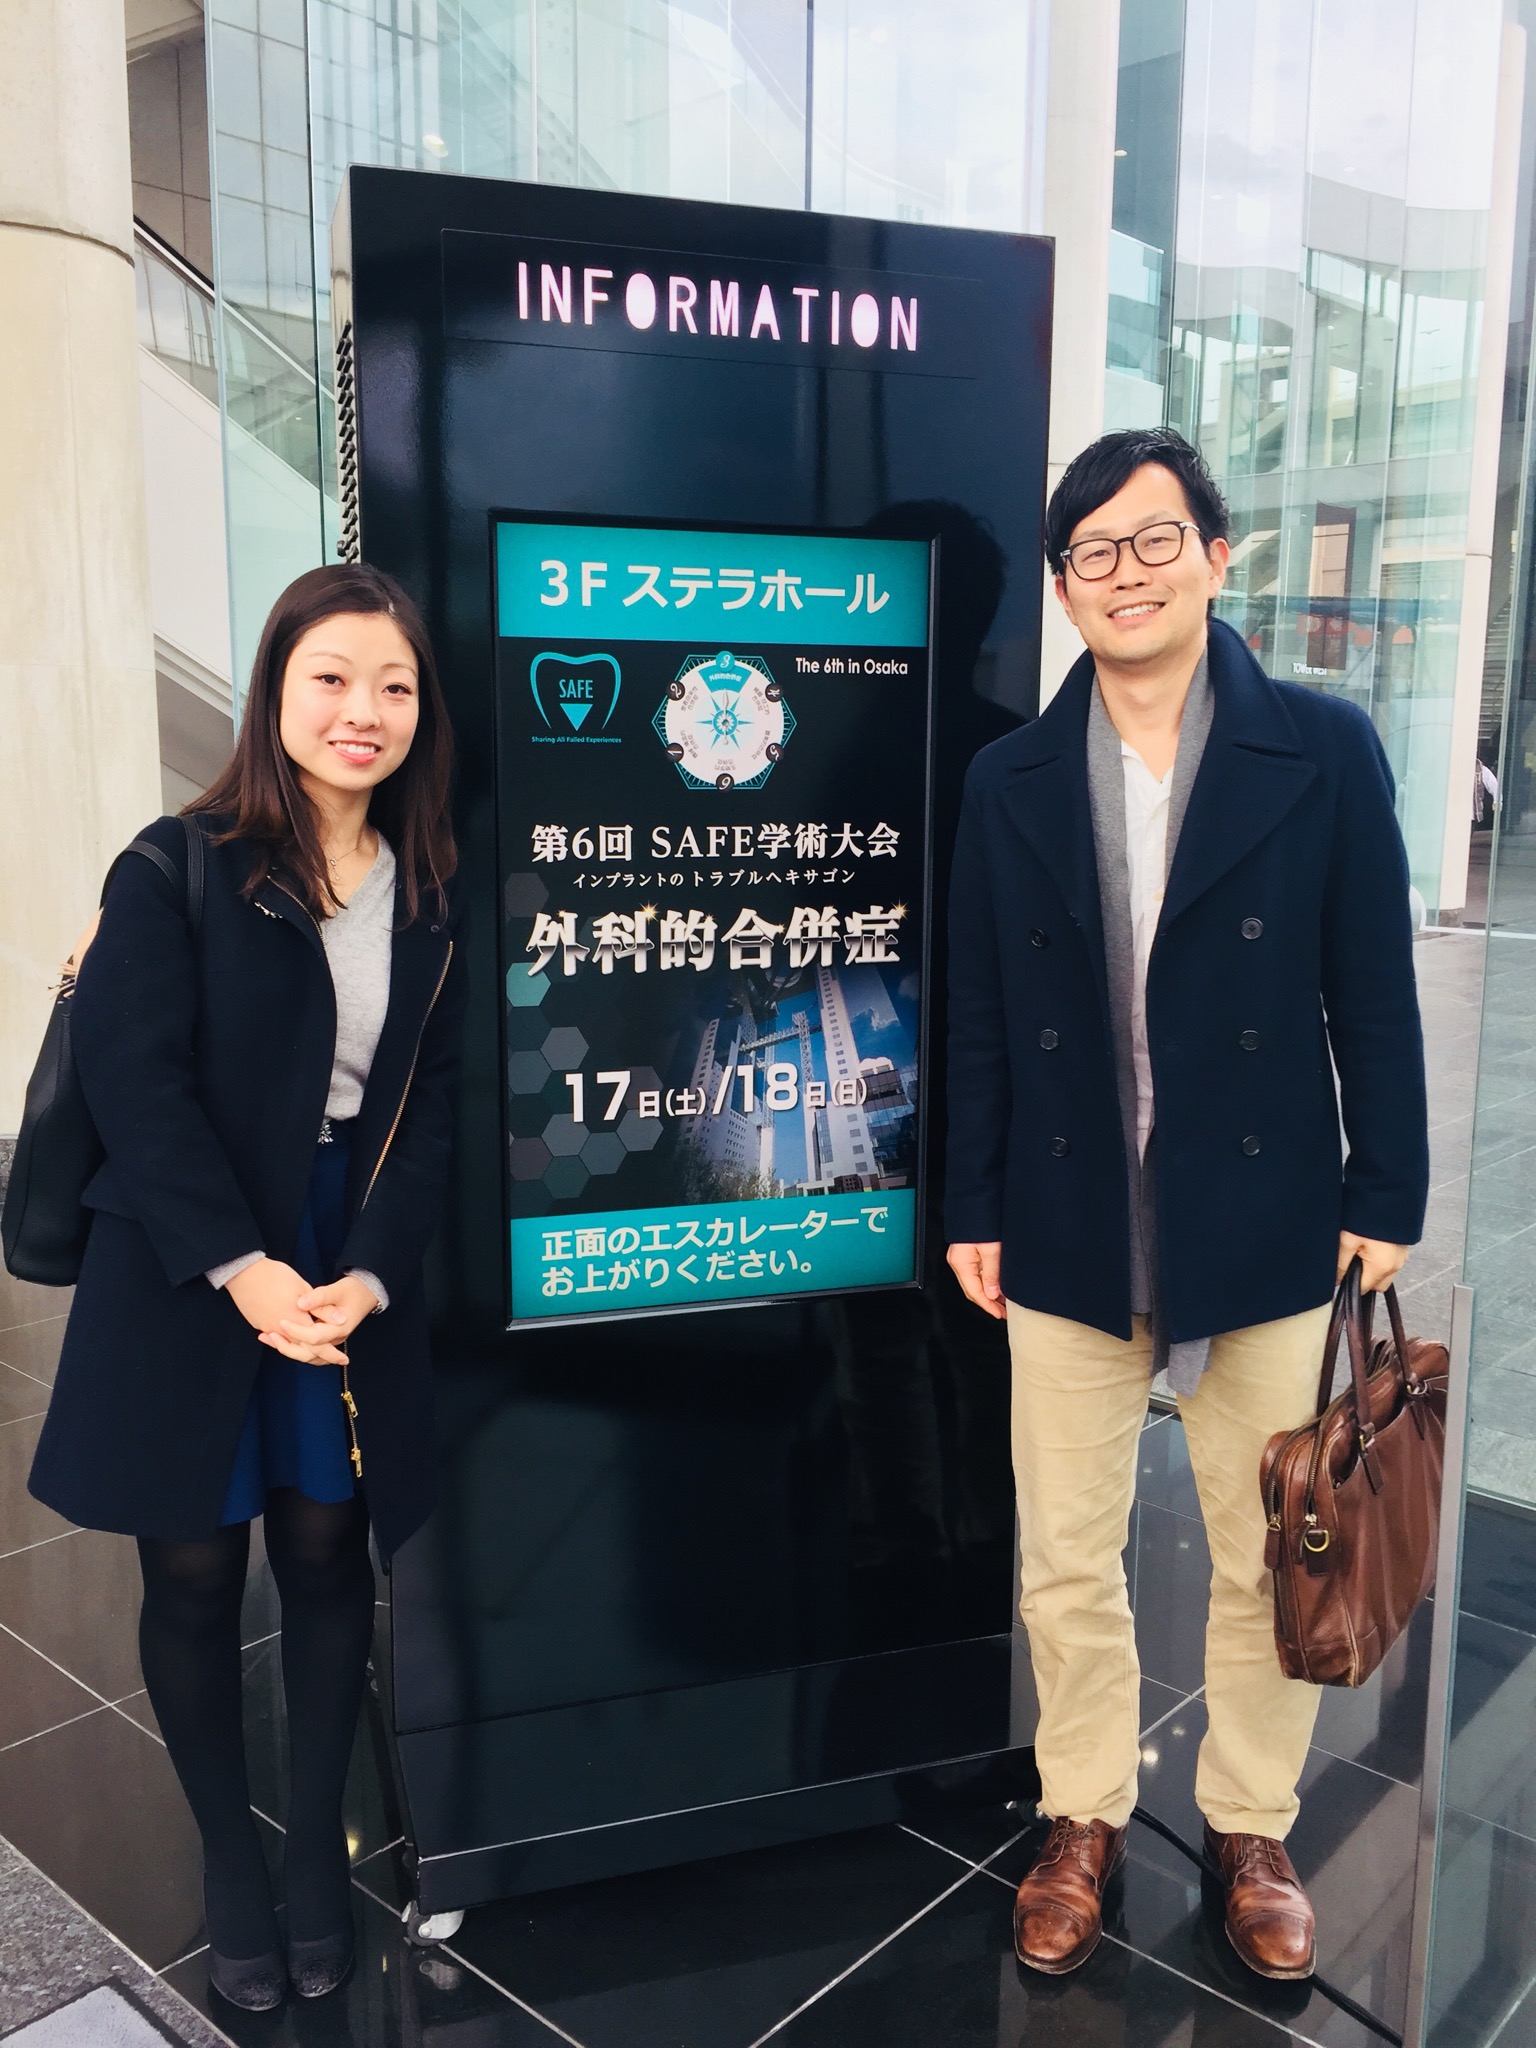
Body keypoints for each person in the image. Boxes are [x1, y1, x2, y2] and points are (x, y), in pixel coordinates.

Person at [944, 429, 1428, 1981]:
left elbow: (1372, 986)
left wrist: (1388, 1185)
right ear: (1065, 589)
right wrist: (971, 1200)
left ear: (1219, 558)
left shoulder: (1322, 750)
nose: (1127, 572)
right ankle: (1083, 1811)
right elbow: (976, 1011)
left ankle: (1249, 1824)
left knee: (1271, 1541)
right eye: (1094, 552)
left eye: (1156, 540)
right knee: (1066, 1549)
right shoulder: (1011, 777)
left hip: (1263, 1212)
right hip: (1071, 1214)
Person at [28, 563, 466, 2011]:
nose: (363, 711)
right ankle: (230, 1855)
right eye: (330, 678)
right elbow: (134, 1081)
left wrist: (373, 1271)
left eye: (394, 685)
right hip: (189, 1254)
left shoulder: (433, 886)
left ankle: (313, 1860)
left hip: (343, 1253)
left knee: (331, 1552)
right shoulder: (179, 863)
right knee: (196, 1565)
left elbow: (435, 1105)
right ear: (275, 687)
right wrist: (242, 1266)